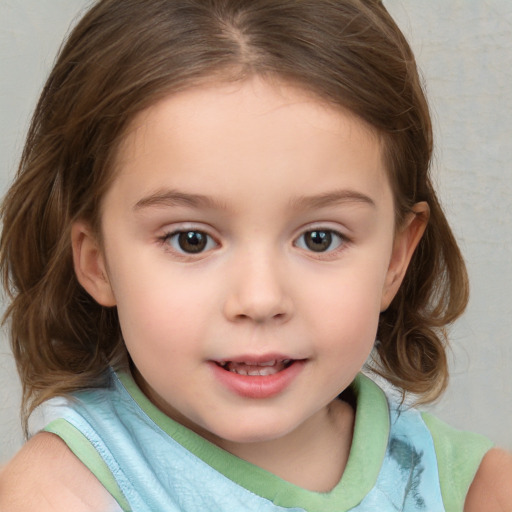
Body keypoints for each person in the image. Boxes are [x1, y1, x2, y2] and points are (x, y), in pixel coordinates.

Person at [0, 0, 510, 510]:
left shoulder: (474, 491)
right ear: (96, 261)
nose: (261, 299)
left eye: (319, 238)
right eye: (190, 239)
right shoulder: (59, 493)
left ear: (396, 258)